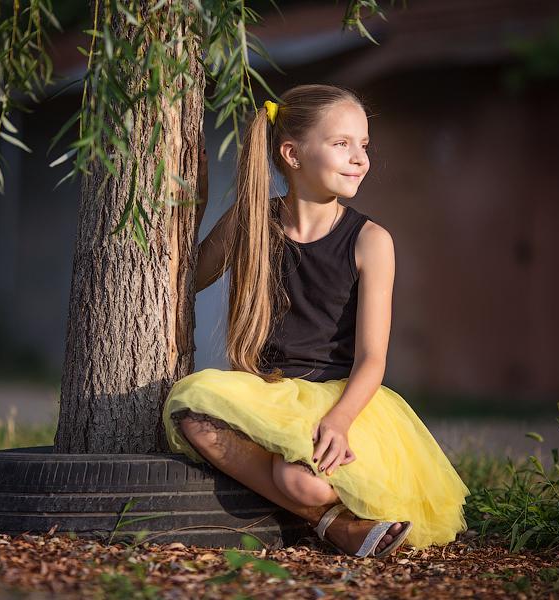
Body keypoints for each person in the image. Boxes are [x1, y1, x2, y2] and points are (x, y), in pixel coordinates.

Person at [162, 84, 470, 557]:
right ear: (293, 154)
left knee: (300, 481)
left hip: (339, 398)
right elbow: (188, 281)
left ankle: (320, 513)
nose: (360, 159)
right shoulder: (252, 221)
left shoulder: (371, 241)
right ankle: (336, 527)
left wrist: (339, 422)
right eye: (342, 143)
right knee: (194, 415)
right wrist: (197, 204)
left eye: (363, 145)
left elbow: (372, 359)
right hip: (267, 393)